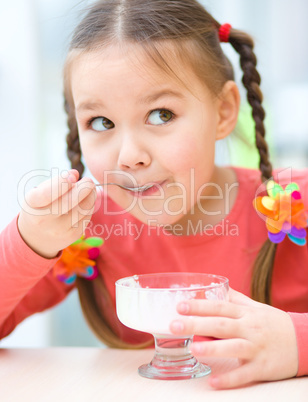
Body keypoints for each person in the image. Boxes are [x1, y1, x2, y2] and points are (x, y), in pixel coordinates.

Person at [0, 0, 308, 389]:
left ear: (225, 110)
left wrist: (297, 342)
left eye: (161, 114)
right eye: (101, 122)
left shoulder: (296, 206)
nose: (130, 156)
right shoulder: (83, 229)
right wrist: (29, 242)